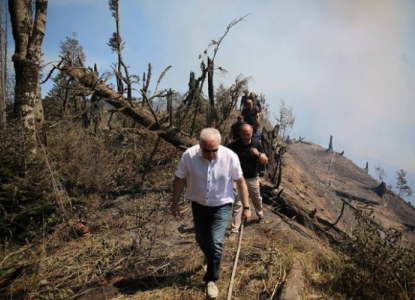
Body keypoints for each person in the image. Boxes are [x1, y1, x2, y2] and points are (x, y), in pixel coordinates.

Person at [171, 128, 251, 299]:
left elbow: (241, 181)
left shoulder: (230, 157)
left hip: (222, 205)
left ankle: (211, 280)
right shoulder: (189, 156)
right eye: (206, 150)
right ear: (200, 146)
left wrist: (246, 207)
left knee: (216, 242)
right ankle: (210, 256)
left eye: (214, 150)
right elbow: (180, 178)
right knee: (201, 238)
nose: (211, 154)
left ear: (219, 145)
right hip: (199, 204)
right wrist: (175, 202)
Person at [228, 124, 268, 236]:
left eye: (248, 134)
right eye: (244, 134)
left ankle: (260, 215)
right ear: (240, 134)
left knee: (256, 198)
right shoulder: (235, 145)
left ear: (252, 134)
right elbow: (224, 155)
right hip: (237, 179)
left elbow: (265, 161)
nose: (246, 137)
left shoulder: (256, 143)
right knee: (238, 202)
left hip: (252, 178)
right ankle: (235, 229)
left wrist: (258, 154)